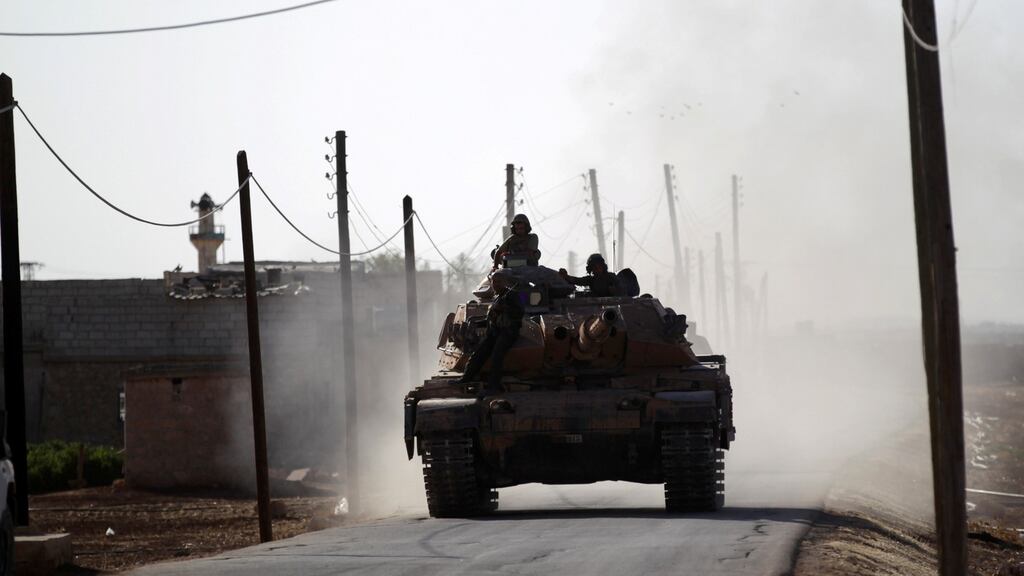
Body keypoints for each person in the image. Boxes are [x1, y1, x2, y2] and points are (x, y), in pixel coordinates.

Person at [459, 269, 525, 396]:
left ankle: (494, 386)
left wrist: (504, 308)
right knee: (478, 353)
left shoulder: (513, 295)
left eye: (498, 281)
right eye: (494, 281)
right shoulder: (497, 297)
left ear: (504, 282)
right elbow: (492, 318)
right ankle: (466, 378)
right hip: (495, 331)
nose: (495, 284)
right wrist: (477, 322)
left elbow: (520, 312)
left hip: (508, 331)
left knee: (496, 356)